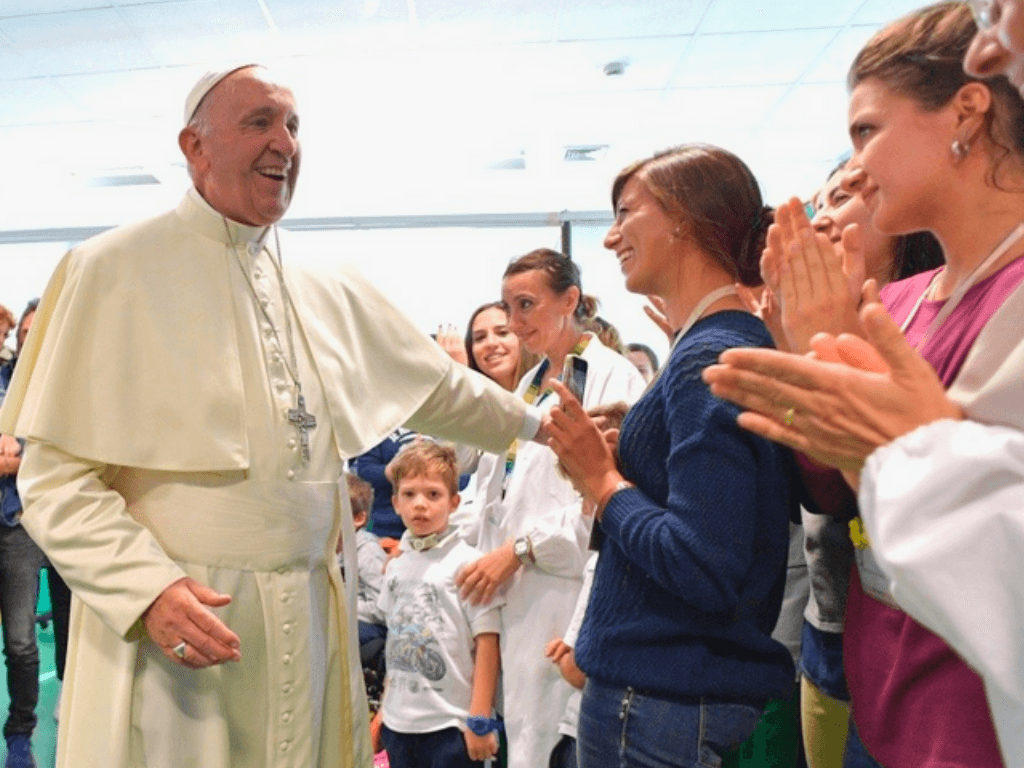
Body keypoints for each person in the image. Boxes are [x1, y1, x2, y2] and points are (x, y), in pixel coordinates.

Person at [0, 64, 543, 768]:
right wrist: (146, 589)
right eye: (259, 122)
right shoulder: (109, 268)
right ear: (194, 147)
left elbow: (437, 388)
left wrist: (541, 427)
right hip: (186, 615)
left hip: (309, 615)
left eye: (292, 126)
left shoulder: (326, 281)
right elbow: (54, 481)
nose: (284, 143)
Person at [703, 4, 1024, 765]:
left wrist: (894, 432)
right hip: (882, 672)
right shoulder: (897, 302)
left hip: (977, 696)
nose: (853, 169)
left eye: (867, 131)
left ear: (967, 113)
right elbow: (838, 490)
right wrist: (816, 354)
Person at [545, 144, 796, 768]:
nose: (610, 238)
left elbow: (702, 563)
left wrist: (603, 481)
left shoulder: (705, 358)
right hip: (675, 695)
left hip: (659, 701)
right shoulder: (718, 345)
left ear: (684, 217)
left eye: (626, 213)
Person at [456, 248, 646, 768]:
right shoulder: (528, 385)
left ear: (569, 300)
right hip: (517, 601)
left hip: (570, 598)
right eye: (508, 307)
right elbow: (496, 492)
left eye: (526, 305)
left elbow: (604, 503)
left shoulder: (611, 377)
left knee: (564, 746)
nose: (515, 322)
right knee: (526, 743)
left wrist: (519, 550)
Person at [377, 442, 501, 768]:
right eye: (409, 494)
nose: (420, 504)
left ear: (454, 502)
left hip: (451, 726)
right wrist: (382, 714)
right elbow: (394, 642)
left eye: (433, 494)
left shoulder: (469, 564)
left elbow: (487, 642)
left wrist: (480, 718)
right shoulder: (396, 567)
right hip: (398, 725)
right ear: (395, 503)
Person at [0, 299, 47, 768]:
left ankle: (20, 734)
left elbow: (50, 454)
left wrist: (22, 459)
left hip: (17, 528)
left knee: (21, 642)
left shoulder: (45, 392)